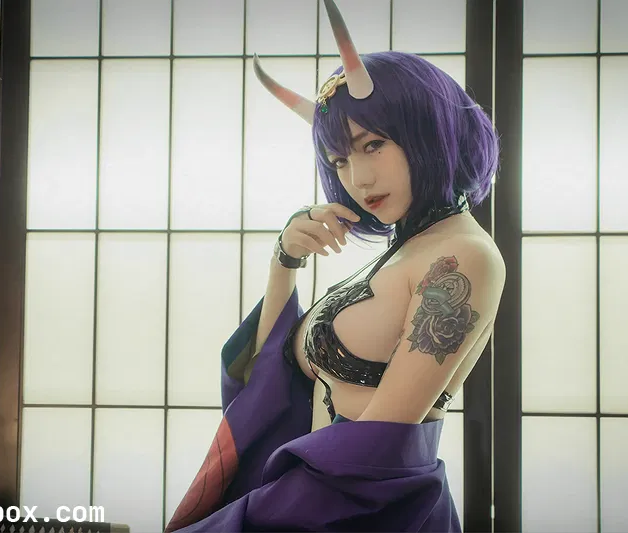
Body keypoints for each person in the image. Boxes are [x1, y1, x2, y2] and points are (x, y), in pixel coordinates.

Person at [165, 1, 505, 531]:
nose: (358, 179)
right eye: (341, 160)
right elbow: (268, 380)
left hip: (367, 511)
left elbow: (375, 449)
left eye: (374, 144)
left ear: (428, 130)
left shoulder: (464, 257)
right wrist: (285, 261)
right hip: (313, 503)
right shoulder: (404, 253)